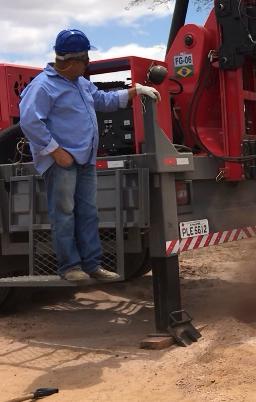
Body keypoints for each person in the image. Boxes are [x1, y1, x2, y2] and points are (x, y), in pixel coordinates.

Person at [19, 29, 161, 282]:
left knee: (88, 212)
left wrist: (135, 91)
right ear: (71, 61)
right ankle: (70, 267)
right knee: (64, 213)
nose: (88, 64)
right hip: (62, 161)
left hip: (85, 159)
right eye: (85, 60)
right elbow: (30, 122)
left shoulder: (81, 83)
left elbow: (103, 100)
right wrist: (56, 151)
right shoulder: (43, 86)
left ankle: (92, 265)